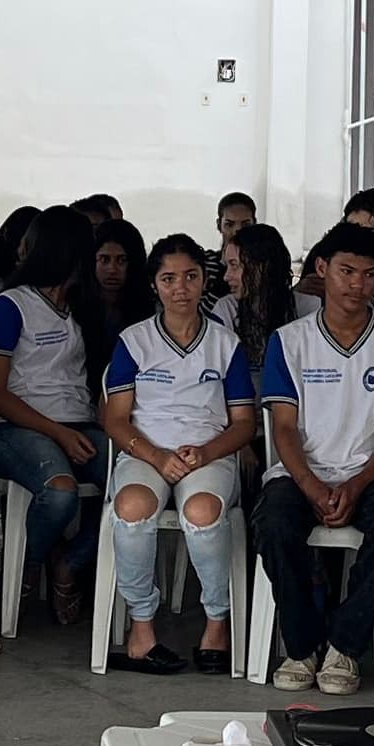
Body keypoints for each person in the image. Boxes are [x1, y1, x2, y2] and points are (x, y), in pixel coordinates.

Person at [249, 220, 374, 692]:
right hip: (300, 472)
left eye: (369, 274)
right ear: (322, 269)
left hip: (370, 475)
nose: (358, 285)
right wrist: (313, 485)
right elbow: (283, 428)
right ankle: (302, 647)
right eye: (347, 271)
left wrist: (355, 485)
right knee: (274, 523)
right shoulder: (290, 341)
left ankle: (344, 645)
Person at [98, 233, 254, 676]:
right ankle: (141, 627)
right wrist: (156, 455)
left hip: (209, 456)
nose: (180, 288)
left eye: (190, 276)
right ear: (154, 285)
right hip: (145, 453)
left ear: (205, 281)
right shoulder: (135, 341)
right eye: (169, 279)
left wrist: (205, 453)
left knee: (203, 512)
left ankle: (217, 621)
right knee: (130, 508)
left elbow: (244, 424)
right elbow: (116, 419)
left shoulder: (226, 345)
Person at [0, 205, 105, 631]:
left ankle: (68, 562)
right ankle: (30, 563)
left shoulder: (82, 307)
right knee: (61, 492)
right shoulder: (10, 307)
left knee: (136, 486)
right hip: (20, 428)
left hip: (81, 423)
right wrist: (57, 433)